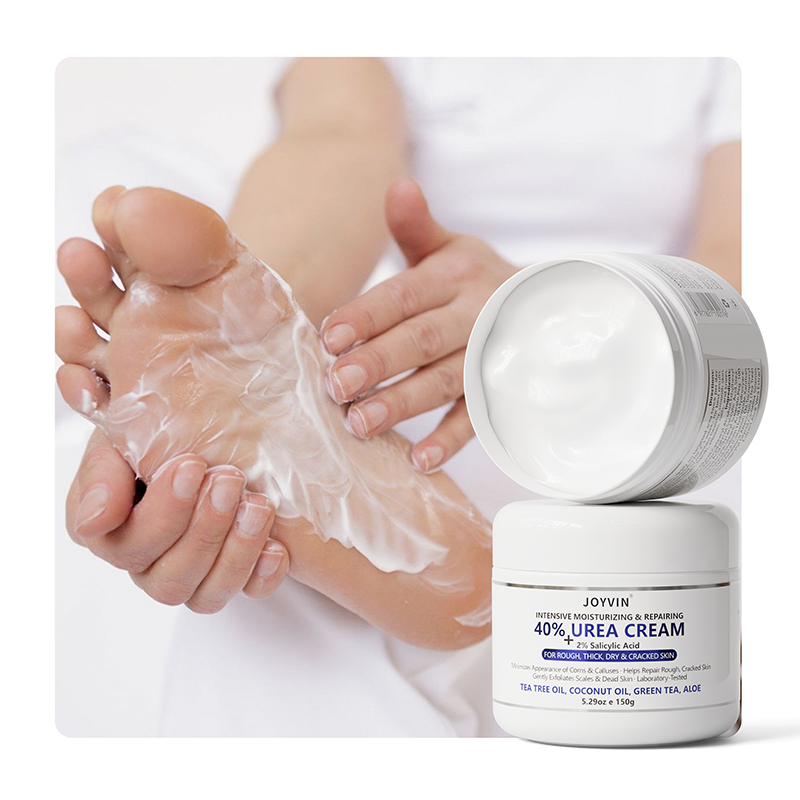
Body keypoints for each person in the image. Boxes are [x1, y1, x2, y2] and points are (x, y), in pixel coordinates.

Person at [56, 57, 741, 736]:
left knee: (279, 571)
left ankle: (332, 476)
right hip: (415, 349)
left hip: (660, 356)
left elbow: (743, 258)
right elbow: (340, 141)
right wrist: (263, 326)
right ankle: (275, 396)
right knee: (277, 576)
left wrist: (546, 321)